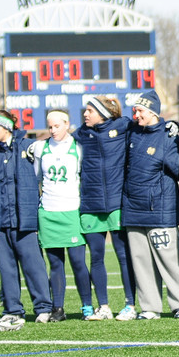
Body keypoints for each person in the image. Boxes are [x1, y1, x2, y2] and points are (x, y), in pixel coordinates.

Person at [0, 110, 53, 329]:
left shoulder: (28, 148)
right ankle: (13, 310)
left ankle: (44, 307)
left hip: (24, 222)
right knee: (6, 270)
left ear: (7, 127)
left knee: (34, 267)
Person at [121, 91, 179, 319]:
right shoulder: (131, 132)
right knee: (141, 263)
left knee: (170, 261)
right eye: (135, 110)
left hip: (160, 212)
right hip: (133, 209)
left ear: (153, 113)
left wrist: (171, 127)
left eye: (140, 111)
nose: (136, 115)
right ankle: (150, 307)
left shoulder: (168, 138)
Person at [75, 96, 136, 321]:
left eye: (90, 110)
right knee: (96, 257)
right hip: (90, 205)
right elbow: (59, 141)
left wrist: (172, 127)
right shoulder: (81, 134)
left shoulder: (123, 127)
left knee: (123, 256)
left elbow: (149, 129)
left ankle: (130, 305)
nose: (85, 114)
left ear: (103, 113)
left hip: (116, 204)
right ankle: (104, 307)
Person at [33, 110, 93, 321]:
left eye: (57, 126)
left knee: (78, 261)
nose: (53, 130)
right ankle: (57, 307)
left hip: (71, 210)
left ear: (67, 124)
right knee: (55, 263)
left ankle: (87, 305)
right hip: (49, 211)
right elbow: (37, 177)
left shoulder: (78, 147)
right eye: (50, 126)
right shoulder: (41, 147)